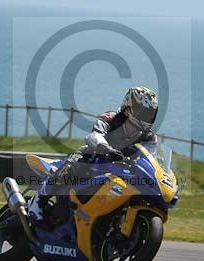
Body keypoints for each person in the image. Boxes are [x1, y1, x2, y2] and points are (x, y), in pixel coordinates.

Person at [30, 86, 159, 223]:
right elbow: (94, 135)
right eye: (144, 112)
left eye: (150, 113)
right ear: (129, 106)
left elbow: (151, 159)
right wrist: (106, 148)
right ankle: (38, 200)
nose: (147, 117)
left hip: (120, 170)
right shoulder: (111, 118)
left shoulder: (149, 137)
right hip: (94, 158)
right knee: (72, 167)